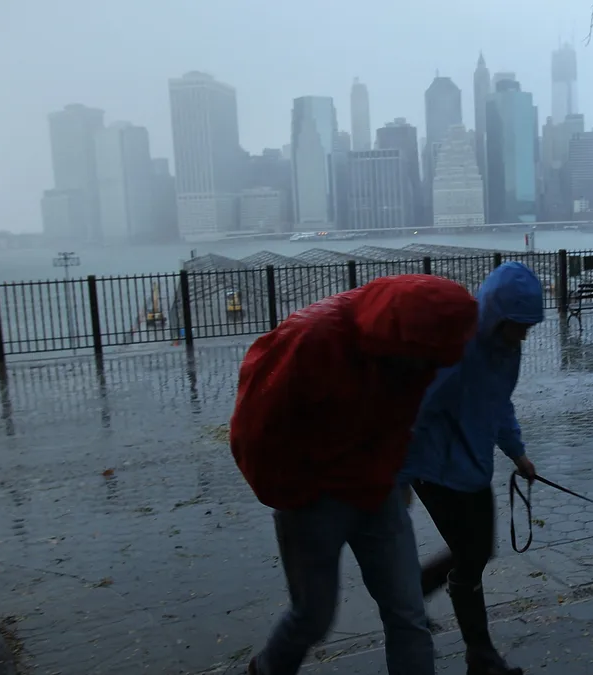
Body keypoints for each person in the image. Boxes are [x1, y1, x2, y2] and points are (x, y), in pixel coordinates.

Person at [229, 274, 480, 675]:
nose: (433, 366)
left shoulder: (418, 349)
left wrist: (398, 477)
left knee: (408, 615)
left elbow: (403, 414)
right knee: (313, 616)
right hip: (313, 500)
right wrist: (291, 497)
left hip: (377, 489)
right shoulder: (312, 339)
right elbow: (256, 431)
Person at [400, 261, 545, 675]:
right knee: (471, 552)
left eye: (527, 326)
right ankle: (478, 652)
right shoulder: (456, 352)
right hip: (435, 470)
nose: (523, 334)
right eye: (517, 325)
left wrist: (517, 453)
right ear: (496, 315)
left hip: (473, 467)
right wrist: (403, 477)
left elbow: (500, 402)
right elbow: (415, 412)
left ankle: (414, 596)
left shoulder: (507, 351)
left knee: (478, 551)